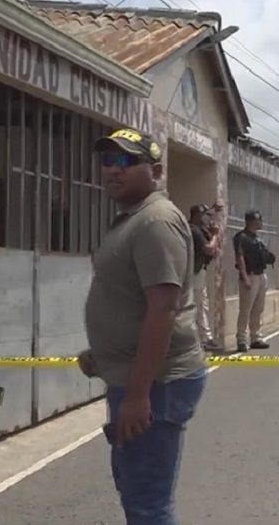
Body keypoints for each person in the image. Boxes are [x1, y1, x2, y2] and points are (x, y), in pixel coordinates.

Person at [79, 128, 207, 524]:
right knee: (135, 490)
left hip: (156, 384)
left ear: (155, 171)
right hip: (140, 377)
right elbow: (131, 300)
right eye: (106, 161)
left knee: (147, 502)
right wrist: (102, 354)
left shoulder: (155, 222)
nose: (111, 171)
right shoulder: (134, 220)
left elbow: (163, 309)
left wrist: (137, 396)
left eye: (124, 161)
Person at [234, 210, 275, 352]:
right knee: (246, 309)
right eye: (259, 220)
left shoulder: (256, 238)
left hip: (261, 274)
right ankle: (241, 339)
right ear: (252, 221)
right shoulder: (242, 237)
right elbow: (240, 258)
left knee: (258, 308)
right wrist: (245, 277)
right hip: (250, 275)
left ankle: (255, 337)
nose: (261, 222)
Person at [189, 203, 222, 352]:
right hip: (194, 272)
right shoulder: (194, 230)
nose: (206, 219)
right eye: (204, 215)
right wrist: (215, 234)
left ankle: (203, 338)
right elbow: (209, 249)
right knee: (199, 305)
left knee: (202, 304)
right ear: (197, 215)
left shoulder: (200, 229)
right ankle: (203, 339)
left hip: (199, 271)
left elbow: (214, 250)